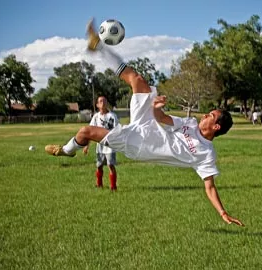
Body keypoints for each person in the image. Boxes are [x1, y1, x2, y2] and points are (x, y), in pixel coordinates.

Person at [45, 18, 244, 227]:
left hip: (138, 144)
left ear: (216, 127)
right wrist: (157, 107)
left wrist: (222, 213)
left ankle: (66, 150)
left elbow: (209, 186)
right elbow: (162, 119)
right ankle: (99, 46)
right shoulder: (190, 123)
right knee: (137, 79)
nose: (205, 115)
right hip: (147, 123)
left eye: (210, 116)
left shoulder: (206, 153)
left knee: (85, 132)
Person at [83, 96, 119, 190]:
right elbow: (90, 132)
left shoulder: (112, 116)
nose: (103, 102)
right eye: (100, 101)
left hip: (110, 146)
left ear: (107, 103)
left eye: (104, 101)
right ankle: (99, 184)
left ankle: (113, 187)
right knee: (99, 166)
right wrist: (86, 146)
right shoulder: (96, 117)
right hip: (100, 146)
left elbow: (117, 130)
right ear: (97, 105)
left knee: (110, 165)